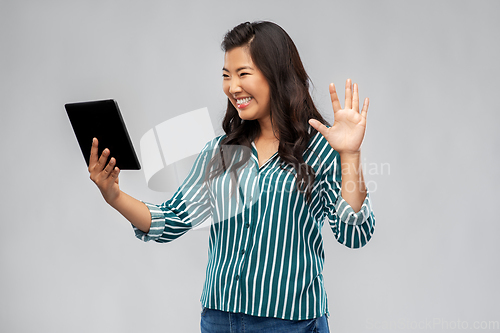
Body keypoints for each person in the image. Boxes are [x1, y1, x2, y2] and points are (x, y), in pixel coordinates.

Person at [88, 21, 375, 333]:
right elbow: (172, 218)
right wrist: (114, 196)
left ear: (276, 75)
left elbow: (354, 234)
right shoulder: (221, 151)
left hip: (291, 323)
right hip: (218, 320)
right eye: (226, 76)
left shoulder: (320, 148)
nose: (232, 86)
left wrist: (350, 155)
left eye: (243, 73)